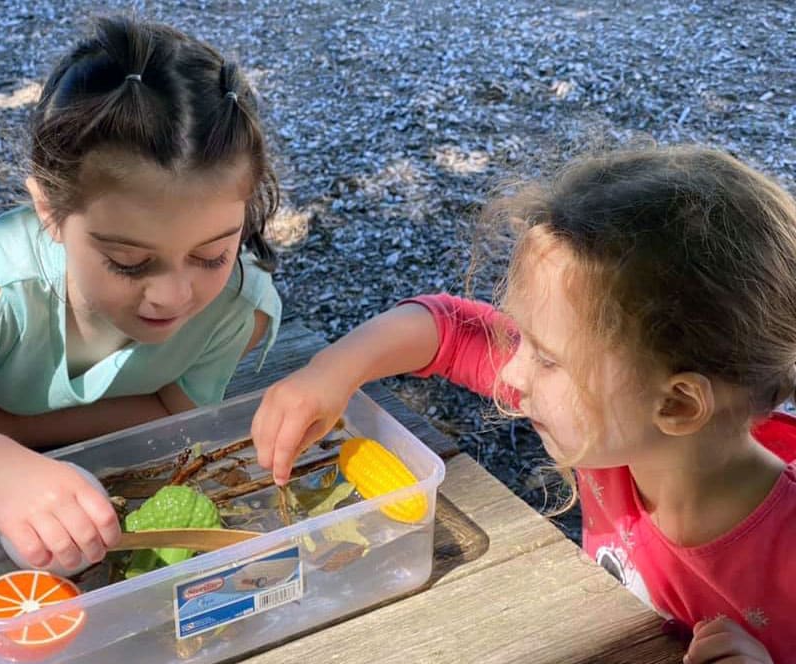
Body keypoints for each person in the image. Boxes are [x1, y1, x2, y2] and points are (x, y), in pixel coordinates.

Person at [250, 146, 795, 663]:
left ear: (677, 406)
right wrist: (329, 374)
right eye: (523, 341)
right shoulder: (619, 425)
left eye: (549, 358)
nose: (513, 370)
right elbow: (449, 331)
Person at [0, 17, 282, 574]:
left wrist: (17, 433)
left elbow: (174, 413)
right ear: (49, 210)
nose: (172, 295)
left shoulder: (239, 311)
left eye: (213, 254)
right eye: (129, 261)